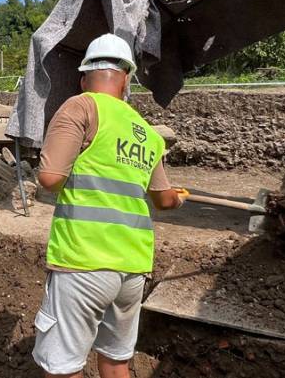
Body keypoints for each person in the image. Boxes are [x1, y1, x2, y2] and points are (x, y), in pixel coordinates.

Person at [32, 34, 189, 378]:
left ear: (84, 77)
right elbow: (164, 200)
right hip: (132, 267)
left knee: (63, 366)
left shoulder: (81, 106)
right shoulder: (147, 132)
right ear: (126, 79)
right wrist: (177, 197)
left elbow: (50, 178)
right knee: (116, 360)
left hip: (84, 260)